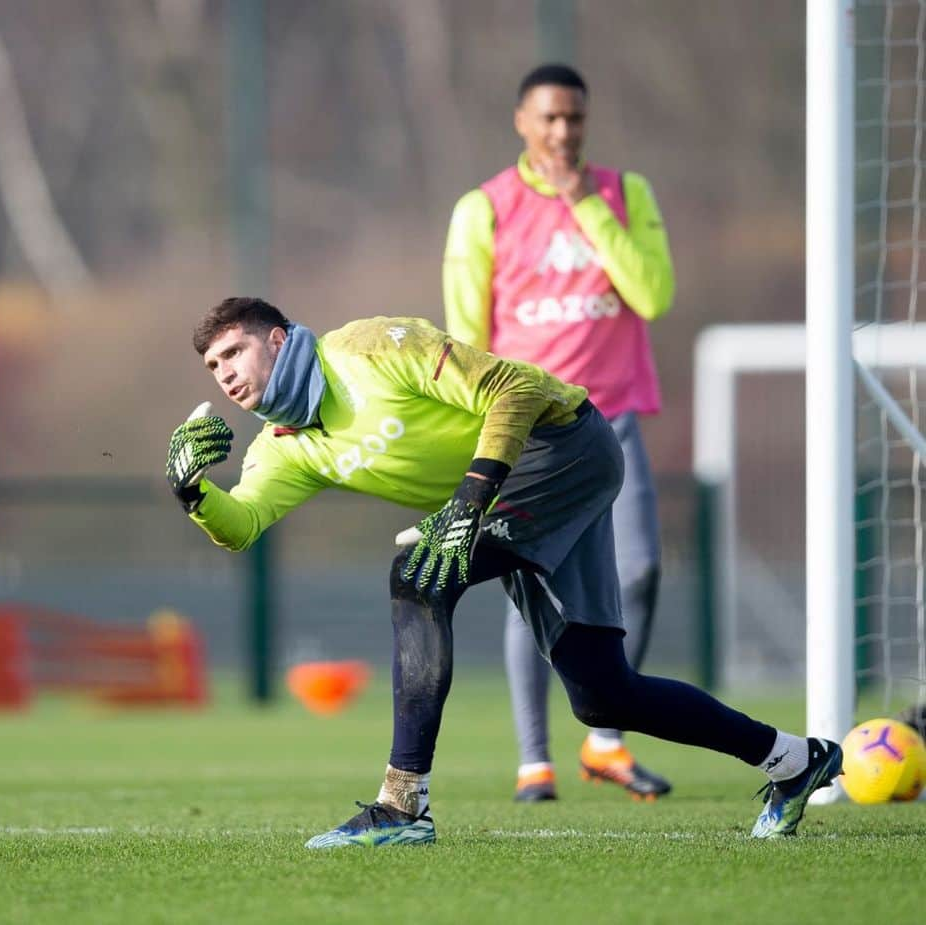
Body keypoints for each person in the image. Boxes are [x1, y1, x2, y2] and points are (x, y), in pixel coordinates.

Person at [166, 296, 843, 848]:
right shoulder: (284, 447)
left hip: (565, 448)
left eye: (233, 351)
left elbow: (513, 386)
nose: (223, 373)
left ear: (279, 340)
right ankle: (792, 758)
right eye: (211, 366)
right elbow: (243, 525)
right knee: (604, 695)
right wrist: (195, 493)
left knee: (416, 575)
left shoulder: (368, 347)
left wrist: (468, 498)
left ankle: (403, 806)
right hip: (511, 493)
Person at [443, 63, 673, 802]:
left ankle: (605, 740)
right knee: (532, 585)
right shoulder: (484, 208)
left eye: (574, 118)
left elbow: (654, 294)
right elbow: (464, 336)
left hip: (614, 419)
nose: (562, 132)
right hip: (534, 429)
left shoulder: (623, 193)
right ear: (522, 122)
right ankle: (533, 758)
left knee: (637, 572)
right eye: (548, 118)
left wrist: (589, 210)